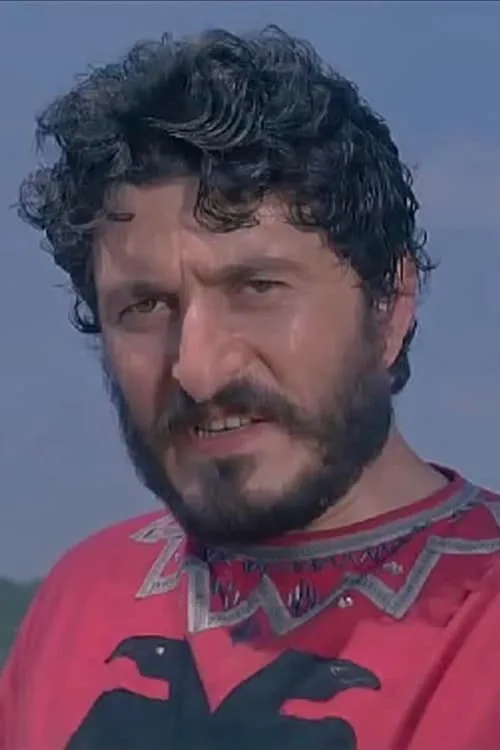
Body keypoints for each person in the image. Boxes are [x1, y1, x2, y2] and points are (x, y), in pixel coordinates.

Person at [1, 25, 499, 750]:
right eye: (145, 306)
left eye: (257, 287)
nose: (198, 369)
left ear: (389, 306)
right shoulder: (84, 596)